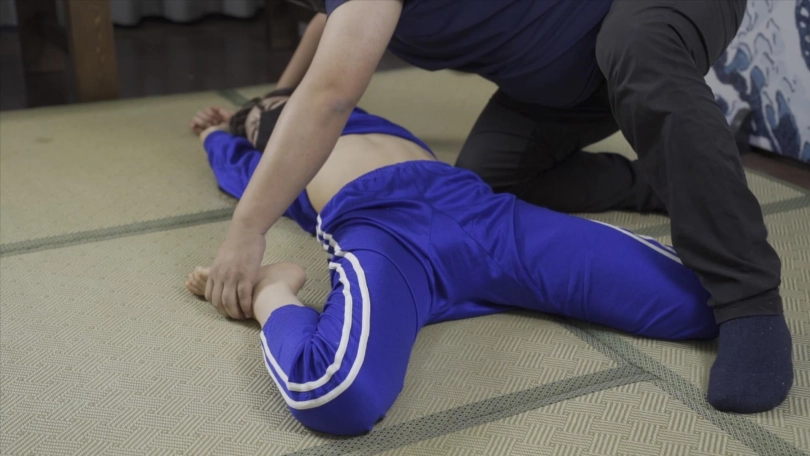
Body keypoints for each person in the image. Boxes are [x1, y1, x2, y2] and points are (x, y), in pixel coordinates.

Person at [203, 1, 793, 413]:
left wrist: (247, 229)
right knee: (493, 175)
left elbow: (328, 96)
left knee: (637, 46)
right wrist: (262, 106)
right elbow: (322, 37)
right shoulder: (280, 147)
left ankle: (748, 298)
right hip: (540, 98)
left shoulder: (335, 119)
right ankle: (664, 178)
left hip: (632, 20)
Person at [186, 94, 717, 435]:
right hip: (384, 234)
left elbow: (325, 73)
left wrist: (273, 102)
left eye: (277, 102)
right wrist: (215, 134)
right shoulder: (273, 167)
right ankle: (273, 292)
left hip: (475, 210)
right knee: (336, 393)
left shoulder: (348, 104)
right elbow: (234, 165)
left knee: (706, 299)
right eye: (257, 118)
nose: (272, 110)